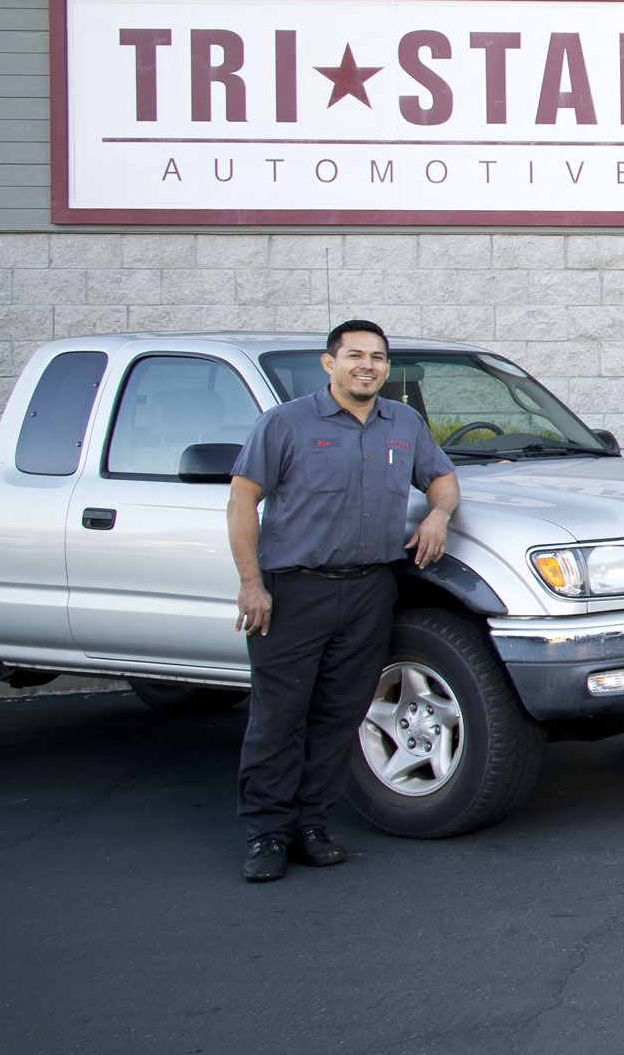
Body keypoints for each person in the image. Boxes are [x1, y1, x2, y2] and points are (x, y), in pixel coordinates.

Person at [228, 320, 458, 882]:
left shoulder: (403, 423)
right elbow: (242, 502)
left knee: (339, 716)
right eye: (355, 355)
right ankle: (266, 835)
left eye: (377, 357)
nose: (368, 365)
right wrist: (251, 583)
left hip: (369, 590)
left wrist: (439, 514)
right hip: (293, 592)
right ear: (329, 363)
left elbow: (443, 478)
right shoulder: (283, 423)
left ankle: (311, 826)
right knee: (279, 718)